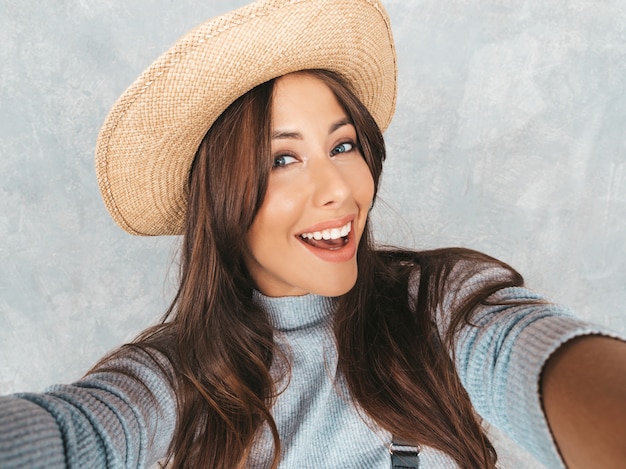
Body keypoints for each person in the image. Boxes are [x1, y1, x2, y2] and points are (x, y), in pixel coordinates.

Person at [1, 0, 625, 468]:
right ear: (223, 199)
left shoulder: (436, 304)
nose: (338, 189)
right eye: (283, 159)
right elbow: (72, 433)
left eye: (343, 144)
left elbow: (530, 350)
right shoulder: (175, 376)